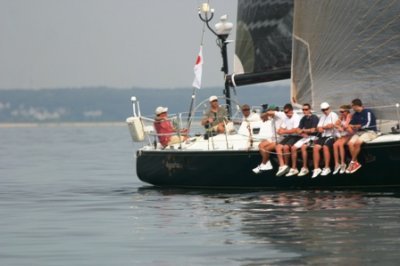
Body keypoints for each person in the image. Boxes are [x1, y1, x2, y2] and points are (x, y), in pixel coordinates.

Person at [263, 103, 301, 176]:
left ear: (291, 110)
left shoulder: (296, 117)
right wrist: (279, 130)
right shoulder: (286, 117)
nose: (286, 114)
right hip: (290, 136)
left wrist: (284, 131)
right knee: (278, 147)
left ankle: (288, 166)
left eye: (287, 112)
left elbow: (295, 130)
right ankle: (282, 166)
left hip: (296, 136)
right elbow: (283, 127)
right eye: (285, 112)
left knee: (285, 147)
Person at [286, 103, 319, 177]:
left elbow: (313, 130)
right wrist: (302, 132)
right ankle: (294, 168)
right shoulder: (303, 118)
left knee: (303, 147)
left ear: (310, 110)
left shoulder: (314, 117)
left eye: (306, 109)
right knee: (293, 148)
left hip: (314, 137)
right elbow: (298, 129)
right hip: (305, 137)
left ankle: (305, 167)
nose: (304, 111)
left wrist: (303, 131)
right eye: (303, 110)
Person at [345, 98, 377, 174]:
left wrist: (357, 126)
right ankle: (356, 163)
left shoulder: (368, 112)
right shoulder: (355, 115)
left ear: (356, 106)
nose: (352, 108)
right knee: (350, 143)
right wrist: (351, 126)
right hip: (360, 132)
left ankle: (352, 162)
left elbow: (368, 124)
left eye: (352, 106)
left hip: (370, 132)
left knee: (357, 143)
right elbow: (350, 124)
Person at [252, 104, 283, 174]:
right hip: (273, 138)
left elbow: (269, 114)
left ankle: (263, 164)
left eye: (270, 110)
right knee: (260, 145)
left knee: (266, 149)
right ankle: (267, 163)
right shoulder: (273, 118)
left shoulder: (280, 114)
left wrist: (266, 114)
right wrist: (265, 117)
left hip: (280, 139)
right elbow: (262, 117)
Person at [312, 102, 339, 178]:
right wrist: (321, 128)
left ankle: (327, 167)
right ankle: (316, 168)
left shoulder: (333, 115)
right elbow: (318, 127)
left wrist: (322, 128)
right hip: (323, 136)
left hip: (332, 135)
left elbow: (331, 126)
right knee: (315, 148)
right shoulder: (322, 117)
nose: (325, 111)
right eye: (323, 110)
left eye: (326, 109)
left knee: (325, 147)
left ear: (329, 108)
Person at [332, 104, 353, 174]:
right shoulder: (341, 117)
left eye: (342, 111)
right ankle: (336, 164)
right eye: (340, 111)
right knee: (335, 145)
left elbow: (346, 125)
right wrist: (339, 126)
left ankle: (343, 163)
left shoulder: (349, 116)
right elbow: (335, 124)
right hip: (343, 134)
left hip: (349, 134)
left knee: (340, 145)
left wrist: (340, 126)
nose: (341, 113)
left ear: (346, 111)